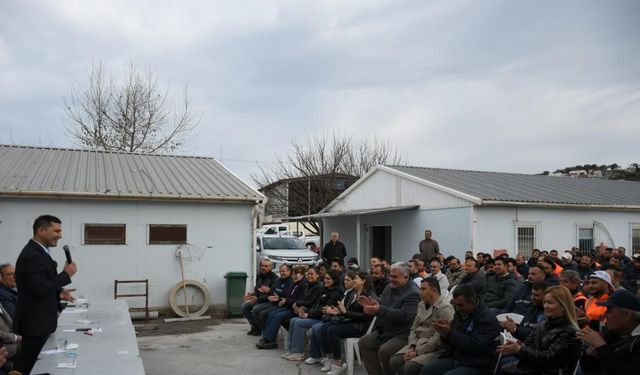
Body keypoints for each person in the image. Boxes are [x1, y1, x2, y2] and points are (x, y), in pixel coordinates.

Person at [13, 215, 77, 375]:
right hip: (35, 325)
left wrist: (58, 292)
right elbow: (39, 288)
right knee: (32, 368)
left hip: (41, 323)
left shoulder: (40, 252)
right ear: (41, 230)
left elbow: (41, 283)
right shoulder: (31, 255)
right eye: (56, 230)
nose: (60, 235)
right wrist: (65, 275)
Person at [497, 285, 582, 375]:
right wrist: (514, 347)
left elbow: (549, 357)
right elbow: (527, 347)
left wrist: (520, 349)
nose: (545, 306)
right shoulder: (541, 325)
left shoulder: (571, 332)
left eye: (550, 303)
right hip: (532, 368)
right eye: (545, 302)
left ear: (563, 306)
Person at [419, 284, 501, 375]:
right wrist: (444, 334)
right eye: (455, 304)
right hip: (459, 357)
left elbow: (475, 346)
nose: (457, 308)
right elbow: (452, 339)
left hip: (478, 364)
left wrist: (450, 333)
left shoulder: (487, 319)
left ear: (473, 302)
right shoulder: (460, 312)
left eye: (461, 305)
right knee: (427, 370)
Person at [358, 263, 421, 375]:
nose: (391, 279)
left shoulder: (413, 293)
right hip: (386, 330)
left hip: (403, 334)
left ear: (406, 277)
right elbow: (383, 306)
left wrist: (379, 309)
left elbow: (404, 316)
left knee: (385, 350)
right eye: (390, 275)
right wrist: (372, 307)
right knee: (364, 342)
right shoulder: (389, 287)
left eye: (395, 277)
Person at [389, 277, 454, 375]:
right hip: (417, 344)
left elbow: (438, 340)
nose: (420, 292)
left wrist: (417, 352)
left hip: (435, 349)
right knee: (395, 361)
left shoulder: (445, 308)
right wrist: (412, 346)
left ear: (434, 290)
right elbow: (414, 328)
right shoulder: (421, 304)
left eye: (423, 289)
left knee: (410, 367)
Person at [316, 272, 375, 375]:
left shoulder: (367, 296)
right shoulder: (354, 293)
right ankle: (329, 358)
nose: (354, 280)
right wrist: (338, 311)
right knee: (324, 328)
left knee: (332, 330)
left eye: (356, 278)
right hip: (351, 322)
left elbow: (365, 317)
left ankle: (338, 364)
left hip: (359, 327)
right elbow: (347, 311)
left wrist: (345, 312)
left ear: (363, 281)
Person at [283, 270, 343, 361]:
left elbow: (324, 309)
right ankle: (292, 350)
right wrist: (305, 311)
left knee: (298, 322)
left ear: (334, 280)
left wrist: (308, 314)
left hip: (323, 317)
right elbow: (316, 304)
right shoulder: (325, 289)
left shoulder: (335, 292)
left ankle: (299, 352)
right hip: (316, 314)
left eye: (328, 279)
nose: (326, 280)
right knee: (293, 320)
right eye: (325, 278)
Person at [578, 289, 640, 374]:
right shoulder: (610, 334)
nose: (604, 315)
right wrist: (589, 354)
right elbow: (586, 368)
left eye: (609, 310)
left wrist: (602, 347)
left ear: (627, 315)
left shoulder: (637, 343)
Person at [306, 271, 358, 367]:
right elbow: (317, 304)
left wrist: (309, 314)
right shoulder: (346, 292)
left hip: (349, 322)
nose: (345, 282)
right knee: (318, 327)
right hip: (337, 318)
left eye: (348, 280)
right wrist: (337, 311)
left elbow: (348, 310)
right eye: (344, 279)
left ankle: (335, 360)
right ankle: (326, 356)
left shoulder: (348, 293)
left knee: (324, 329)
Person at [256, 265, 309, 349]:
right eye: (293, 274)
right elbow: (287, 296)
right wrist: (280, 298)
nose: (294, 276)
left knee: (277, 316)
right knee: (271, 314)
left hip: (295, 309)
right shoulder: (295, 284)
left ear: (302, 275)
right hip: (287, 306)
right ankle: (268, 338)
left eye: (297, 274)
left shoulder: (303, 285)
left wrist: (285, 300)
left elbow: (299, 300)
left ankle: (268, 339)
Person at [241, 259, 279, 335]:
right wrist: (252, 296)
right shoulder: (259, 276)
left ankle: (261, 328)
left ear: (270, 268)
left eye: (266, 266)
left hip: (270, 302)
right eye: (262, 265)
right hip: (259, 300)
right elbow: (257, 289)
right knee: (244, 306)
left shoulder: (274, 279)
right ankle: (255, 326)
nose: (263, 268)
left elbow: (273, 295)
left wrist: (257, 298)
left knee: (255, 309)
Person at [253, 263, 292, 330]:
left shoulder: (285, 281)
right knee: (249, 307)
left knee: (261, 312)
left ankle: (267, 333)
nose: (281, 273)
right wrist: (254, 296)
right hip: (271, 301)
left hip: (279, 304)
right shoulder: (260, 276)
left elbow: (285, 295)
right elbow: (272, 292)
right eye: (280, 271)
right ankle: (261, 330)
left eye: (283, 271)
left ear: (289, 271)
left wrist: (269, 293)